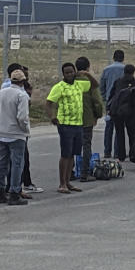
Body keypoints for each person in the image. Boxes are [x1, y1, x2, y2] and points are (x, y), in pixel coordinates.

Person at [45, 62, 92, 195]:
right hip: (65, 124)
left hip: (78, 124)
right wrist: (52, 117)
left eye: (71, 72)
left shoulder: (79, 84)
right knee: (65, 154)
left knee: (73, 154)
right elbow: (49, 103)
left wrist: (87, 74)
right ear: (63, 74)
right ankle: (62, 183)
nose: (70, 74)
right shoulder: (59, 87)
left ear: (75, 72)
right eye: (67, 72)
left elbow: (94, 85)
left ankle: (68, 181)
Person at [0, 69, 30, 206]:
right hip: (17, 134)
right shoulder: (22, 95)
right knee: (17, 164)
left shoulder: (1, 93)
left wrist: (1, 124)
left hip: (3, 133)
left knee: (3, 163)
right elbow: (22, 117)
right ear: (22, 81)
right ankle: (14, 192)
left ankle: (0, 191)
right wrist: (25, 130)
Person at [2, 63, 41, 197]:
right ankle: (15, 189)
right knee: (18, 161)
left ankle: (4, 188)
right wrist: (25, 129)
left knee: (6, 162)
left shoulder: (3, 90)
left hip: (5, 131)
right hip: (17, 131)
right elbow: (22, 116)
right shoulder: (20, 93)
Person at [73, 57, 104, 182]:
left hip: (71, 119)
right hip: (86, 118)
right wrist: (97, 115)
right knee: (86, 145)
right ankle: (85, 173)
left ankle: (69, 171)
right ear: (88, 67)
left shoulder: (70, 81)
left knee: (71, 146)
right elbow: (97, 102)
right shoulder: (89, 82)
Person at [109, 64, 135, 159]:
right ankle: (133, 153)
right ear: (133, 72)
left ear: (124, 71)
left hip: (118, 111)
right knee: (132, 133)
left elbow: (112, 95)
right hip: (131, 112)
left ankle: (121, 155)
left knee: (119, 133)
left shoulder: (118, 82)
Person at [100, 49, 125, 157]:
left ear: (113, 58)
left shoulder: (106, 69)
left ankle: (107, 151)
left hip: (110, 102)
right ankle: (117, 152)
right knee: (119, 128)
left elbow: (102, 85)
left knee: (109, 127)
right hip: (122, 102)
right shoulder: (125, 69)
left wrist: (105, 97)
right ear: (123, 58)